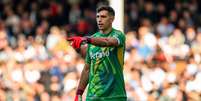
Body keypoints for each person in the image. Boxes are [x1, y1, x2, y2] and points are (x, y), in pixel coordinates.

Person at [68, 5, 127, 101]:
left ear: (112, 19)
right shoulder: (92, 39)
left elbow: (108, 42)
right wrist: (79, 93)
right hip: (93, 96)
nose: (99, 20)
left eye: (103, 17)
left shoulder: (118, 35)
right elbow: (87, 69)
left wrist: (87, 39)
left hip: (115, 95)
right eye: (98, 17)